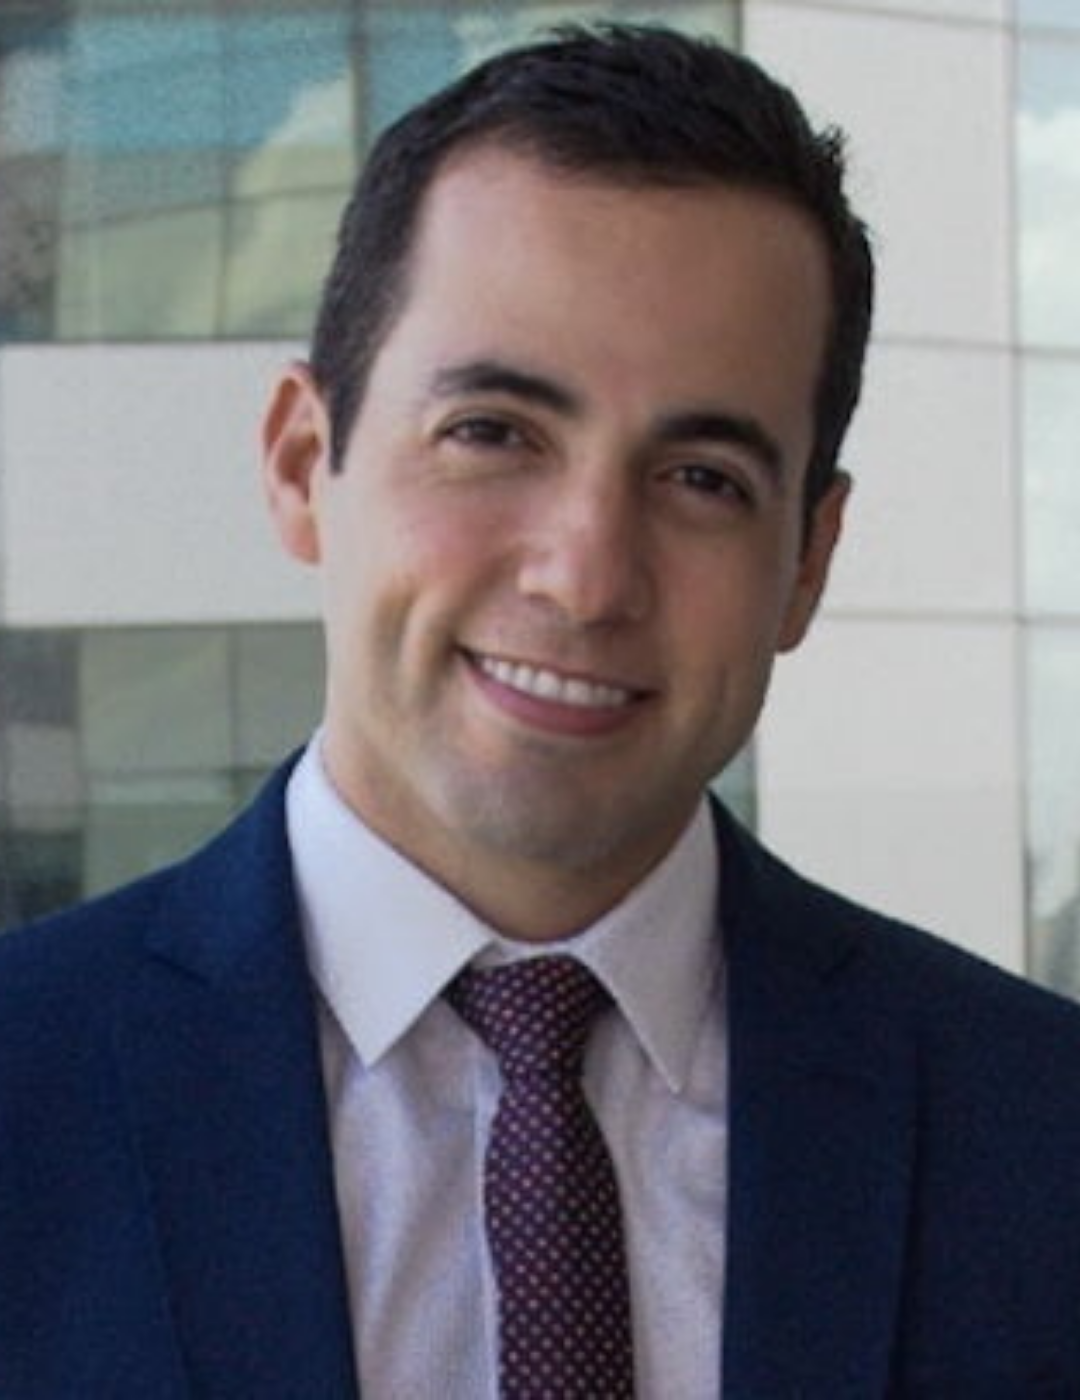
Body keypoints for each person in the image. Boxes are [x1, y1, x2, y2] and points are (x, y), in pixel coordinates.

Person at [3, 23, 1080, 1400]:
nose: (584, 577)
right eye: (494, 432)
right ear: (300, 462)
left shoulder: (1040, 1136)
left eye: (702, 478)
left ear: (808, 562)